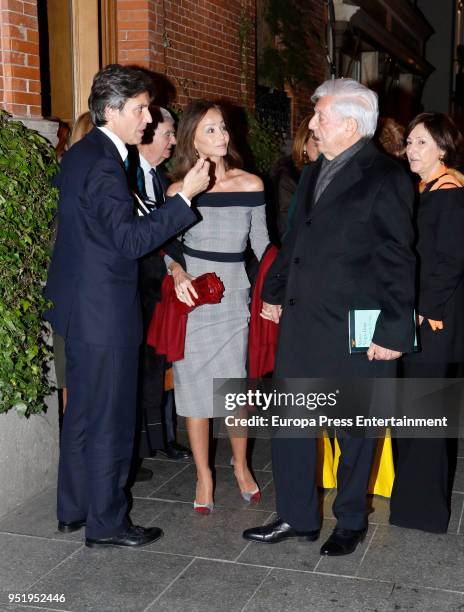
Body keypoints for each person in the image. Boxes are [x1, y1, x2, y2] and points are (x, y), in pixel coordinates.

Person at [243, 78, 416, 556]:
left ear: (347, 123)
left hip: (357, 327)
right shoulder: (318, 170)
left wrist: (393, 331)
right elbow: (297, 236)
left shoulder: (387, 177)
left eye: (319, 115)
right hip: (304, 321)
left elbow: (398, 259)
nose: (312, 124)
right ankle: (297, 517)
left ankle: (351, 520)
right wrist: (275, 290)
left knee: (354, 428)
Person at [44, 64, 210, 548]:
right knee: (111, 421)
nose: (150, 116)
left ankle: (73, 510)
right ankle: (109, 523)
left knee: (81, 416)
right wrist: (184, 200)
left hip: (80, 306)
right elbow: (129, 241)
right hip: (104, 312)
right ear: (112, 110)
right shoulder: (104, 161)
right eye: (140, 108)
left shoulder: (82, 153)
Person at [166, 100, 270, 514]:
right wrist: (176, 270)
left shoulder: (251, 184)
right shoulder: (179, 190)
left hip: (234, 294)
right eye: (210, 130)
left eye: (223, 128)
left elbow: (262, 246)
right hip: (192, 297)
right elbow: (167, 244)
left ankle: (241, 466)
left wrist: (278, 289)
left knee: (233, 388)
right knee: (192, 387)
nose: (222, 136)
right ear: (192, 137)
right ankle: (203, 475)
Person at [390, 112, 464, 533]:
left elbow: (452, 261)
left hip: (432, 323)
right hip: (414, 316)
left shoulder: (450, 192)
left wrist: (424, 313)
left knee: (426, 417)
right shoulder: (426, 190)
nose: (410, 151)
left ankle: (424, 512)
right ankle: (411, 503)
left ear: (442, 147)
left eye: (420, 143)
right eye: (410, 142)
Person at [128, 105, 192, 478]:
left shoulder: (160, 176)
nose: (172, 141)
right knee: (140, 371)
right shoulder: (127, 177)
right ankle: (136, 450)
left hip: (159, 289)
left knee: (158, 367)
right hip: (136, 289)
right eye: (168, 133)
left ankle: (159, 438)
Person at [271, 114, 319, 240]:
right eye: (316, 142)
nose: (322, 148)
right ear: (303, 144)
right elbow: (286, 224)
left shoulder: (326, 172)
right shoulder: (289, 175)